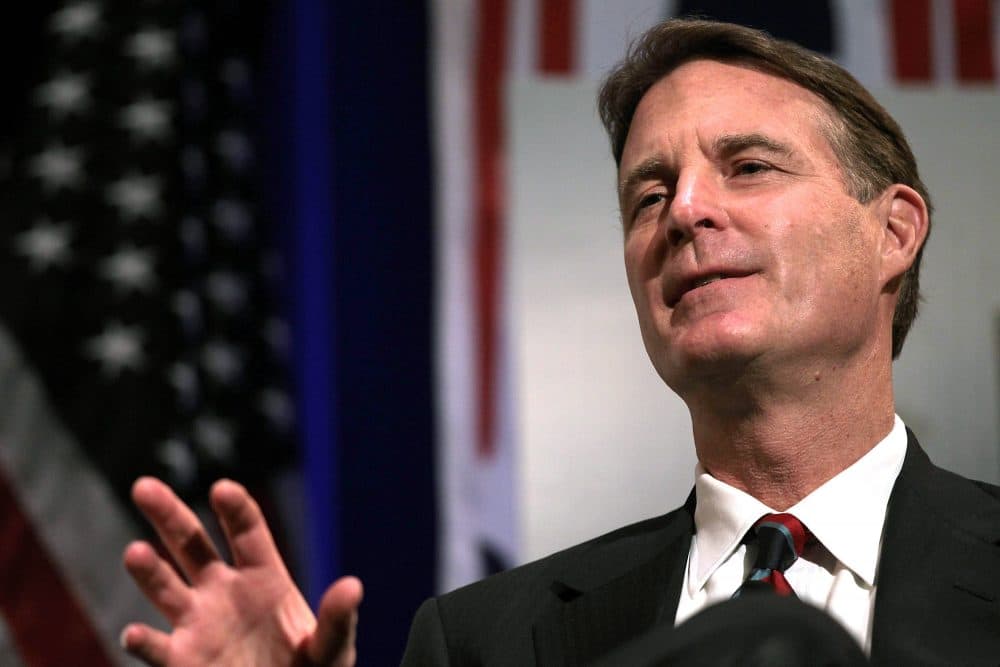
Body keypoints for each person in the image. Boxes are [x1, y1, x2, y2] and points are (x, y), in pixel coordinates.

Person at [120, 18, 1000, 666]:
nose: (686, 211)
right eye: (649, 195)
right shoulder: (482, 641)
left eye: (749, 167)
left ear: (893, 232)